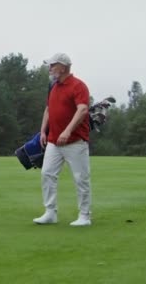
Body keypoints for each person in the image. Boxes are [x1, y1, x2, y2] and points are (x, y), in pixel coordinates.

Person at [33, 52, 92, 226]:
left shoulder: (78, 86)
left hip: (75, 141)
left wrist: (67, 131)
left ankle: (84, 216)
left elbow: (82, 110)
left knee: (81, 178)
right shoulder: (53, 86)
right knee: (47, 174)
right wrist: (43, 131)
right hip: (53, 141)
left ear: (63, 67)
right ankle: (50, 212)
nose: (50, 68)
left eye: (53, 65)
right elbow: (48, 109)